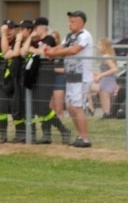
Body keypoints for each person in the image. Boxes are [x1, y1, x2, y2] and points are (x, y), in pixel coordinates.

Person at [45, 10, 94, 148]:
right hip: (71, 75)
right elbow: (61, 47)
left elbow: (73, 50)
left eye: (73, 21)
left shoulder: (85, 36)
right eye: (69, 21)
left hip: (82, 76)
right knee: (71, 107)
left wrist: (54, 54)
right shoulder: (69, 36)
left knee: (78, 107)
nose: (69, 24)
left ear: (81, 23)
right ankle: (80, 135)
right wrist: (51, 51)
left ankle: (85, 139)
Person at [23, 17, 71, 144]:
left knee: (43, 107)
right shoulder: (37, 41)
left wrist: (34, 50)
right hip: (37, 75)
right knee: (39, 107)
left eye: (36, 27)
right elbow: (24, 51)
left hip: (46, 74)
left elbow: (44, 52)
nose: (34, 30)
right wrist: (29, 38)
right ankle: (46, 134)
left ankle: (64, 130)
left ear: (43, 27)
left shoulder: (49, 38)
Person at [90, 38, 119, 119]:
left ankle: (91, 108)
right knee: (88, 87)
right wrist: (98, 75)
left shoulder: (106, 57)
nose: (98, 47)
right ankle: (91, 108)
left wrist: (101, 75)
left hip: (107, 83)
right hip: (106, 82)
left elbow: (114, 69)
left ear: (104, 46)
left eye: (99, 45)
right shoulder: (107, 56)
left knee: (106, 110)